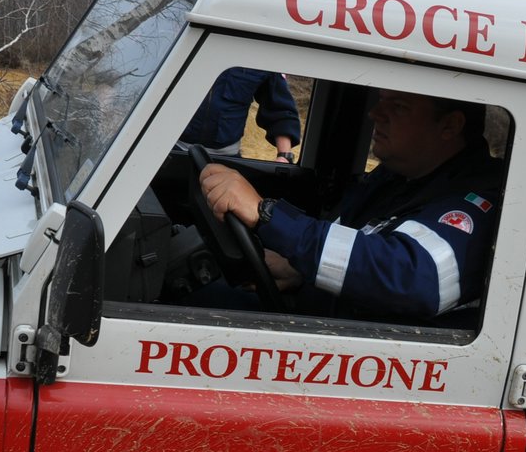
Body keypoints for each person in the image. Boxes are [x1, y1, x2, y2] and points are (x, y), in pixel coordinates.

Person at [199, 89, 503, 322]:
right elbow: (350, 245)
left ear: (449, 125)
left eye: (398, 107)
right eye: (382, 100)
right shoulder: (397, 178)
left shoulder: (479, 201)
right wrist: (300, 271)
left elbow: (415, 278)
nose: (375, 113)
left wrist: (266, 214)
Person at [177, 68, 301, 161]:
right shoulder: (188, 40)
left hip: (227, 159)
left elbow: (280, 110)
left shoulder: (261, 55)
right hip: (173, 149)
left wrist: (284, 156)